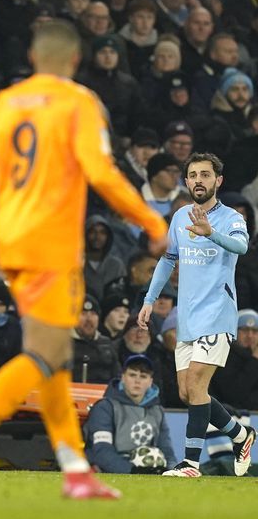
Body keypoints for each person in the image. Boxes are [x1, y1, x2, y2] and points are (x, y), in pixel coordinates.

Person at [0, 19, 168, 499]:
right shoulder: (79, 103)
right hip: (52, 246)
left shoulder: (1, 106)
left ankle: (74, 468)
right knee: (45, 354)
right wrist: (151, 221)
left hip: (10, 244)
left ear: (32, 59)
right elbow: (102, 172)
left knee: (56, 357)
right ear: (74, 61)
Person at [138, 152, 256, 478]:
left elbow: (242, 247)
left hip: (217, 313)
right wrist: (149, 300)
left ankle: (190, 464)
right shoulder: (179, 217)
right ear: (187, 181)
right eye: (193, 175)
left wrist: (210, 233)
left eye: (205, 175)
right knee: (188, 393)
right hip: (187, 315)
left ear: (217, 181)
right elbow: (167, 260)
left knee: (196, 384)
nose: (198, 180)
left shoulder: (231, 218)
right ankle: (241, 435)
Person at [84, 354, 176, 474]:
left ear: (150, 382)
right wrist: (132, 470)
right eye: (132, 375)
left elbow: (166, 450)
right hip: (107, 472)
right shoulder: (105, 407)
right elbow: (101, 451)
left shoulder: (157, 411)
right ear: (123, 377)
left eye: (143, 376)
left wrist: (171, 471)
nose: (137, 381)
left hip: (146, 470)